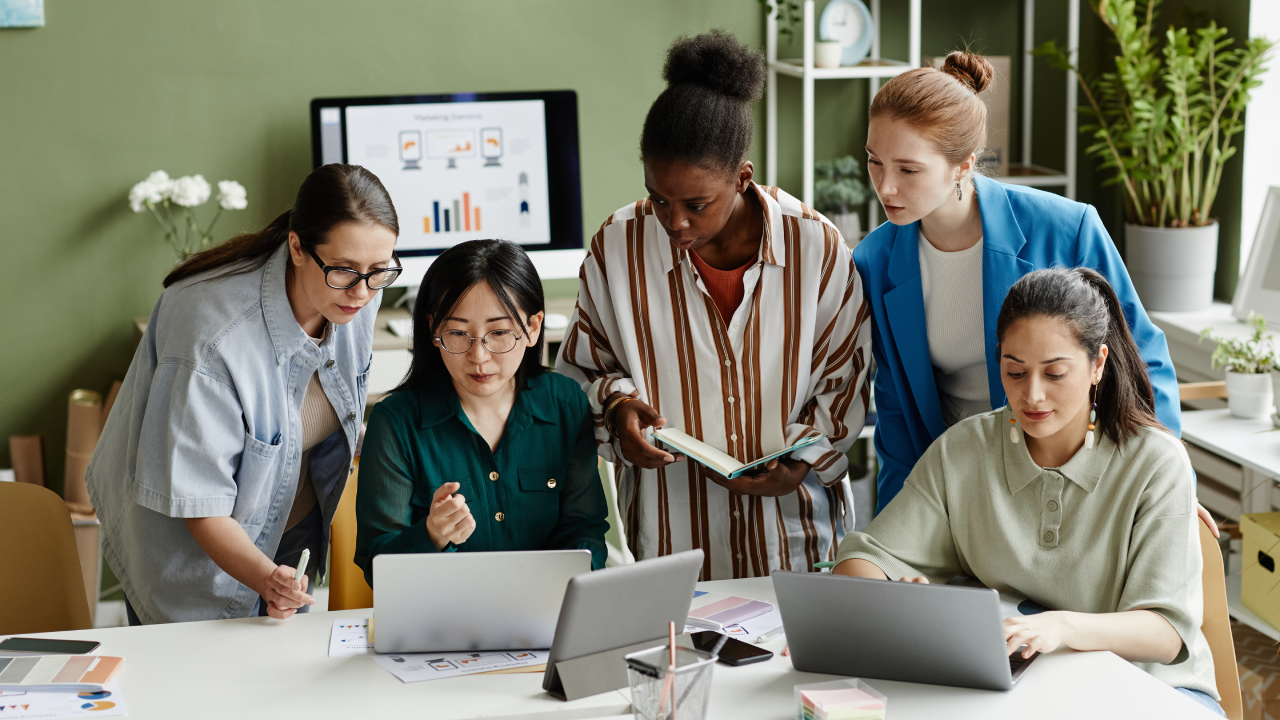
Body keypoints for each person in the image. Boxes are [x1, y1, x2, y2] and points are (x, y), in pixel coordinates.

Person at [833, 267, 1222, 716]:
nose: (1032, 395)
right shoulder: (965, 449)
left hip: (1156, 691)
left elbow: (1164, 632)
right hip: (1034, 692)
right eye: (1014, 372)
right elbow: (865, 558)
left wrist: (1059, 629)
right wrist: (890, 599)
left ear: (1098, 364)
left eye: (1055, 373)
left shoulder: (1156, 462)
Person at [556, 30, 872, 579]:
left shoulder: (815, 247)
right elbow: (587, 366)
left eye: (696, 204)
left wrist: (800, 461)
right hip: (670, 542)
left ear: (742, 178)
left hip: (794, 538)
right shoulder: (618, 245)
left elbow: (846, 380)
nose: (674, 221)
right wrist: (618, 407)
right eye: (658, 198)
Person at [852, 51, 1192, 521]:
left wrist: (1172, 487)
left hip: (1074, 478)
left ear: (962, 166)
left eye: (908, 170)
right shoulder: (875, 260)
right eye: (874, 162)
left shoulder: (1067, 228)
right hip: (961, 490)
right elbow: (897, 415)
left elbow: (1142, 358)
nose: (885, 187)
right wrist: (892, 538)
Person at [88, 164, 400, 624]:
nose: (362, 292)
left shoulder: (354, 290)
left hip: (289, 527)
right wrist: (266, 578)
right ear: (297, 247)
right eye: (345, 271)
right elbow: (202, 506)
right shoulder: (212, 340)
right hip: (197, 551)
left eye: (379, 271)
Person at [354, 239, 608, 583]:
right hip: (441, 623)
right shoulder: (395, 423)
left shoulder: (566, 404)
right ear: (433, 329)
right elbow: (377, 564)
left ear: (532, 328)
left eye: (499, 332)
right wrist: (432, 535)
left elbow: (584, 528)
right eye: (458, 333)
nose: (479, 356)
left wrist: (571, 583)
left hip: (548, 615)